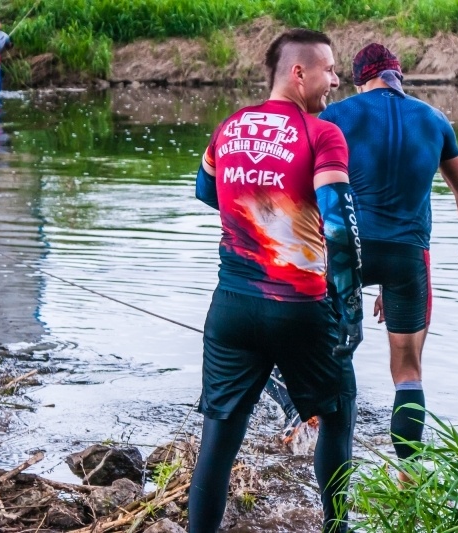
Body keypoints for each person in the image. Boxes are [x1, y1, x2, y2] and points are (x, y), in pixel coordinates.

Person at [190, 28, 363, 533]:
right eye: (330, 69)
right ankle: (337, 527)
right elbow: (342, 231)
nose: (335, 79)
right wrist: (350, 313)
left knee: (218, 438)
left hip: (231, 308)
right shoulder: (321, 133)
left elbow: (208, 192)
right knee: (337, 409)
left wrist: (258, 211)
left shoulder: (229, 128)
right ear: (298, 72)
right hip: (301, 309)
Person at [318, 43, 458, 480]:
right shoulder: (434, 120)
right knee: (408, 371)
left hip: (346, 252)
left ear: (359, 80)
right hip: (409, 256)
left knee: (333, 356)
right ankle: (408, 480)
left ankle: (326, 457)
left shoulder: (337, 116)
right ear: (398, 76)